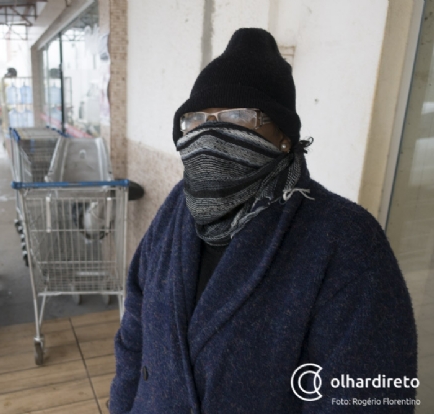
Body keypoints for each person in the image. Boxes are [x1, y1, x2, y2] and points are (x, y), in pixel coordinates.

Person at [109, 28, 417, 413]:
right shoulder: (177, 209)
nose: (210, 131)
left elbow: (368, 398)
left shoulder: (347, 242)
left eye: (239, 116)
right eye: (195, 119)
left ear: (284, 136)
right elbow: (135, 334)